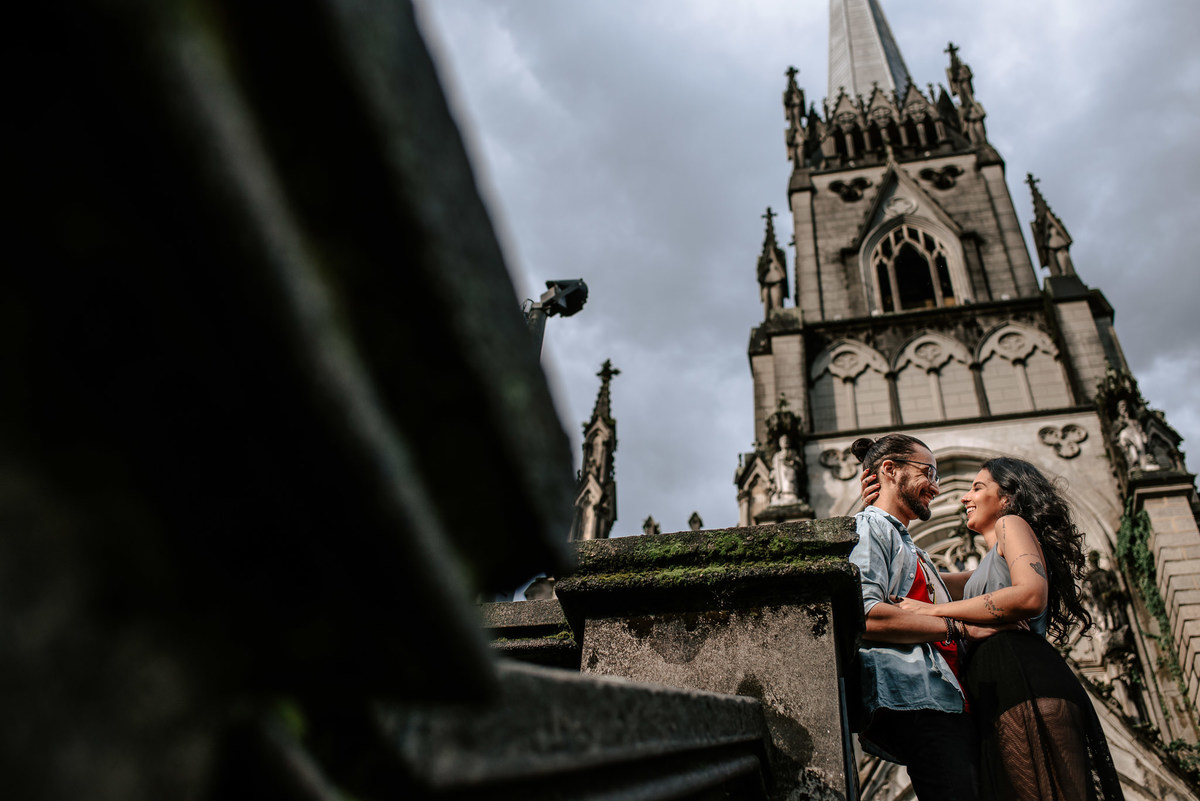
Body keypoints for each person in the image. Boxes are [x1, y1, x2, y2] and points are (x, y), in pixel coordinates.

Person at [891, 457, 1124, 800]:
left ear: (1007, 499)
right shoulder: (985, 570)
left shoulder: (1010, 524)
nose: (964, 497)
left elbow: (1029, 595)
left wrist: (936, 612)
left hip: (1022, 678)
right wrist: (885, 499)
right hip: (999, 686)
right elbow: (914, 574)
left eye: (977, 488)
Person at [848, 434, 1010, 801]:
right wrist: (960, 627)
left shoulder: (909, 546)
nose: (936, 487)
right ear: (890, 470)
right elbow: (866, 615)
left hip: (947, 699)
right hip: (921, 703)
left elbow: (972, 584)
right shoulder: (871, 527)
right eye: (929, 473)